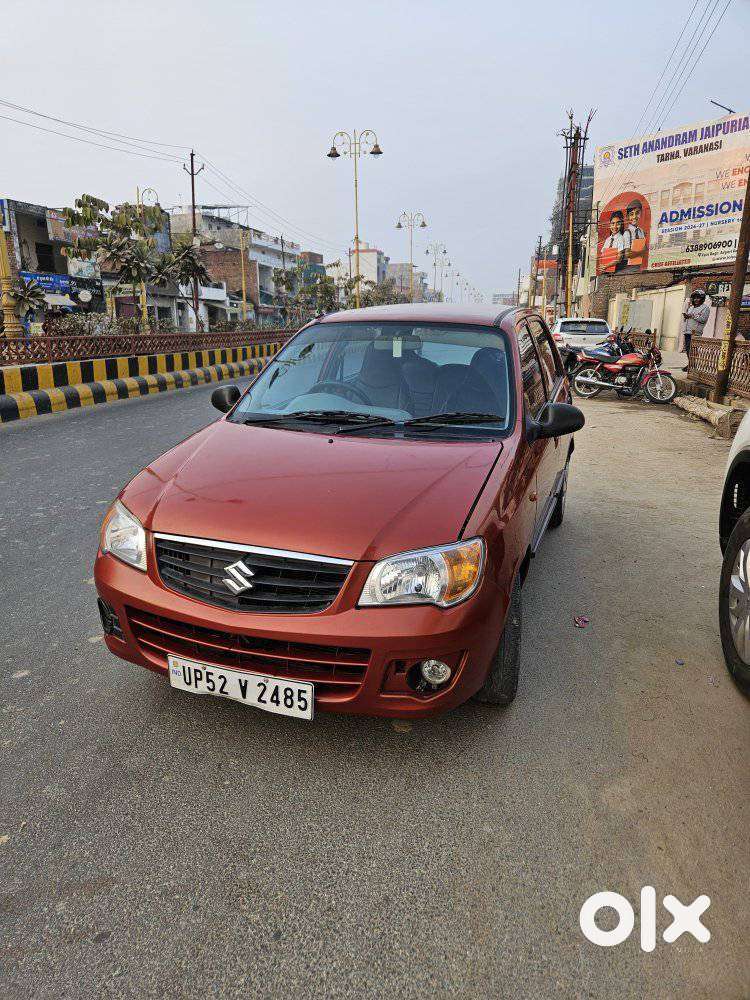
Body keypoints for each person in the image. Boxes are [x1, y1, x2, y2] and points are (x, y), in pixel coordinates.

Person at [681, 289, 711, 371]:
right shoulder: (691, 307)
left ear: (702, 299)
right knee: (688, 349)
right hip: (687, 331)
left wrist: (692, 316)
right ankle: (691, 364)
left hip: (695, 332)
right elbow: (689, 318)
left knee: (693, 349)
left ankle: (692, 365)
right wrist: (686, 316)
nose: (696, 300)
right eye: (694, 298)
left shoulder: (705, 308)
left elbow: (703, 319)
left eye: (698, 298)